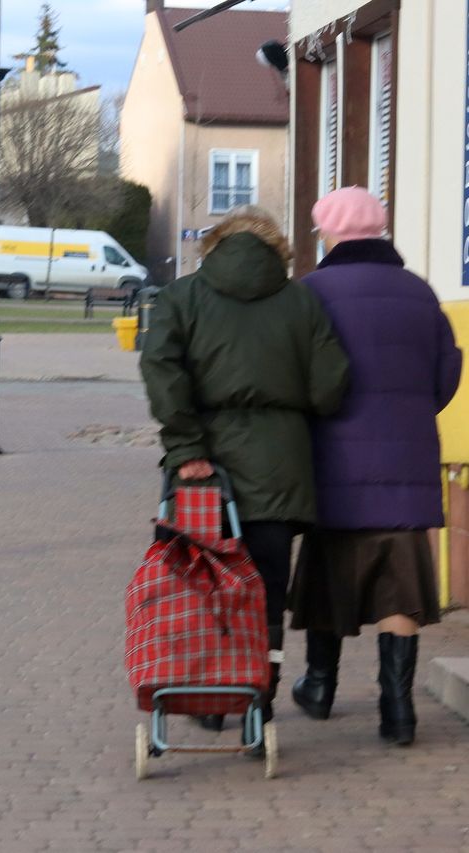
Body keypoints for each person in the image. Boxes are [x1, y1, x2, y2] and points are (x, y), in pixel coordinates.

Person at [140, 205, 350, 728]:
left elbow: (161, 369)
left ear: (214, 244)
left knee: (205, 578)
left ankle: (210, 698)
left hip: (204, 468)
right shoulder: (302, 301)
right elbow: (330, 388)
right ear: (276, 249)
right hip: (282, 458)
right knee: (267, 587)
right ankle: (261, 695)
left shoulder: (181, 297)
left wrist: (187, 446)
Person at [287, 187, 463, 746]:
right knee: (402, 586)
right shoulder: (419, 292)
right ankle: (398, 710)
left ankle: (319, 687)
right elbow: (446, 374)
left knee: (326, 576)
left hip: (333, 460)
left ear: (328, 233)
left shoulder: (309, 293)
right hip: (406, 461)